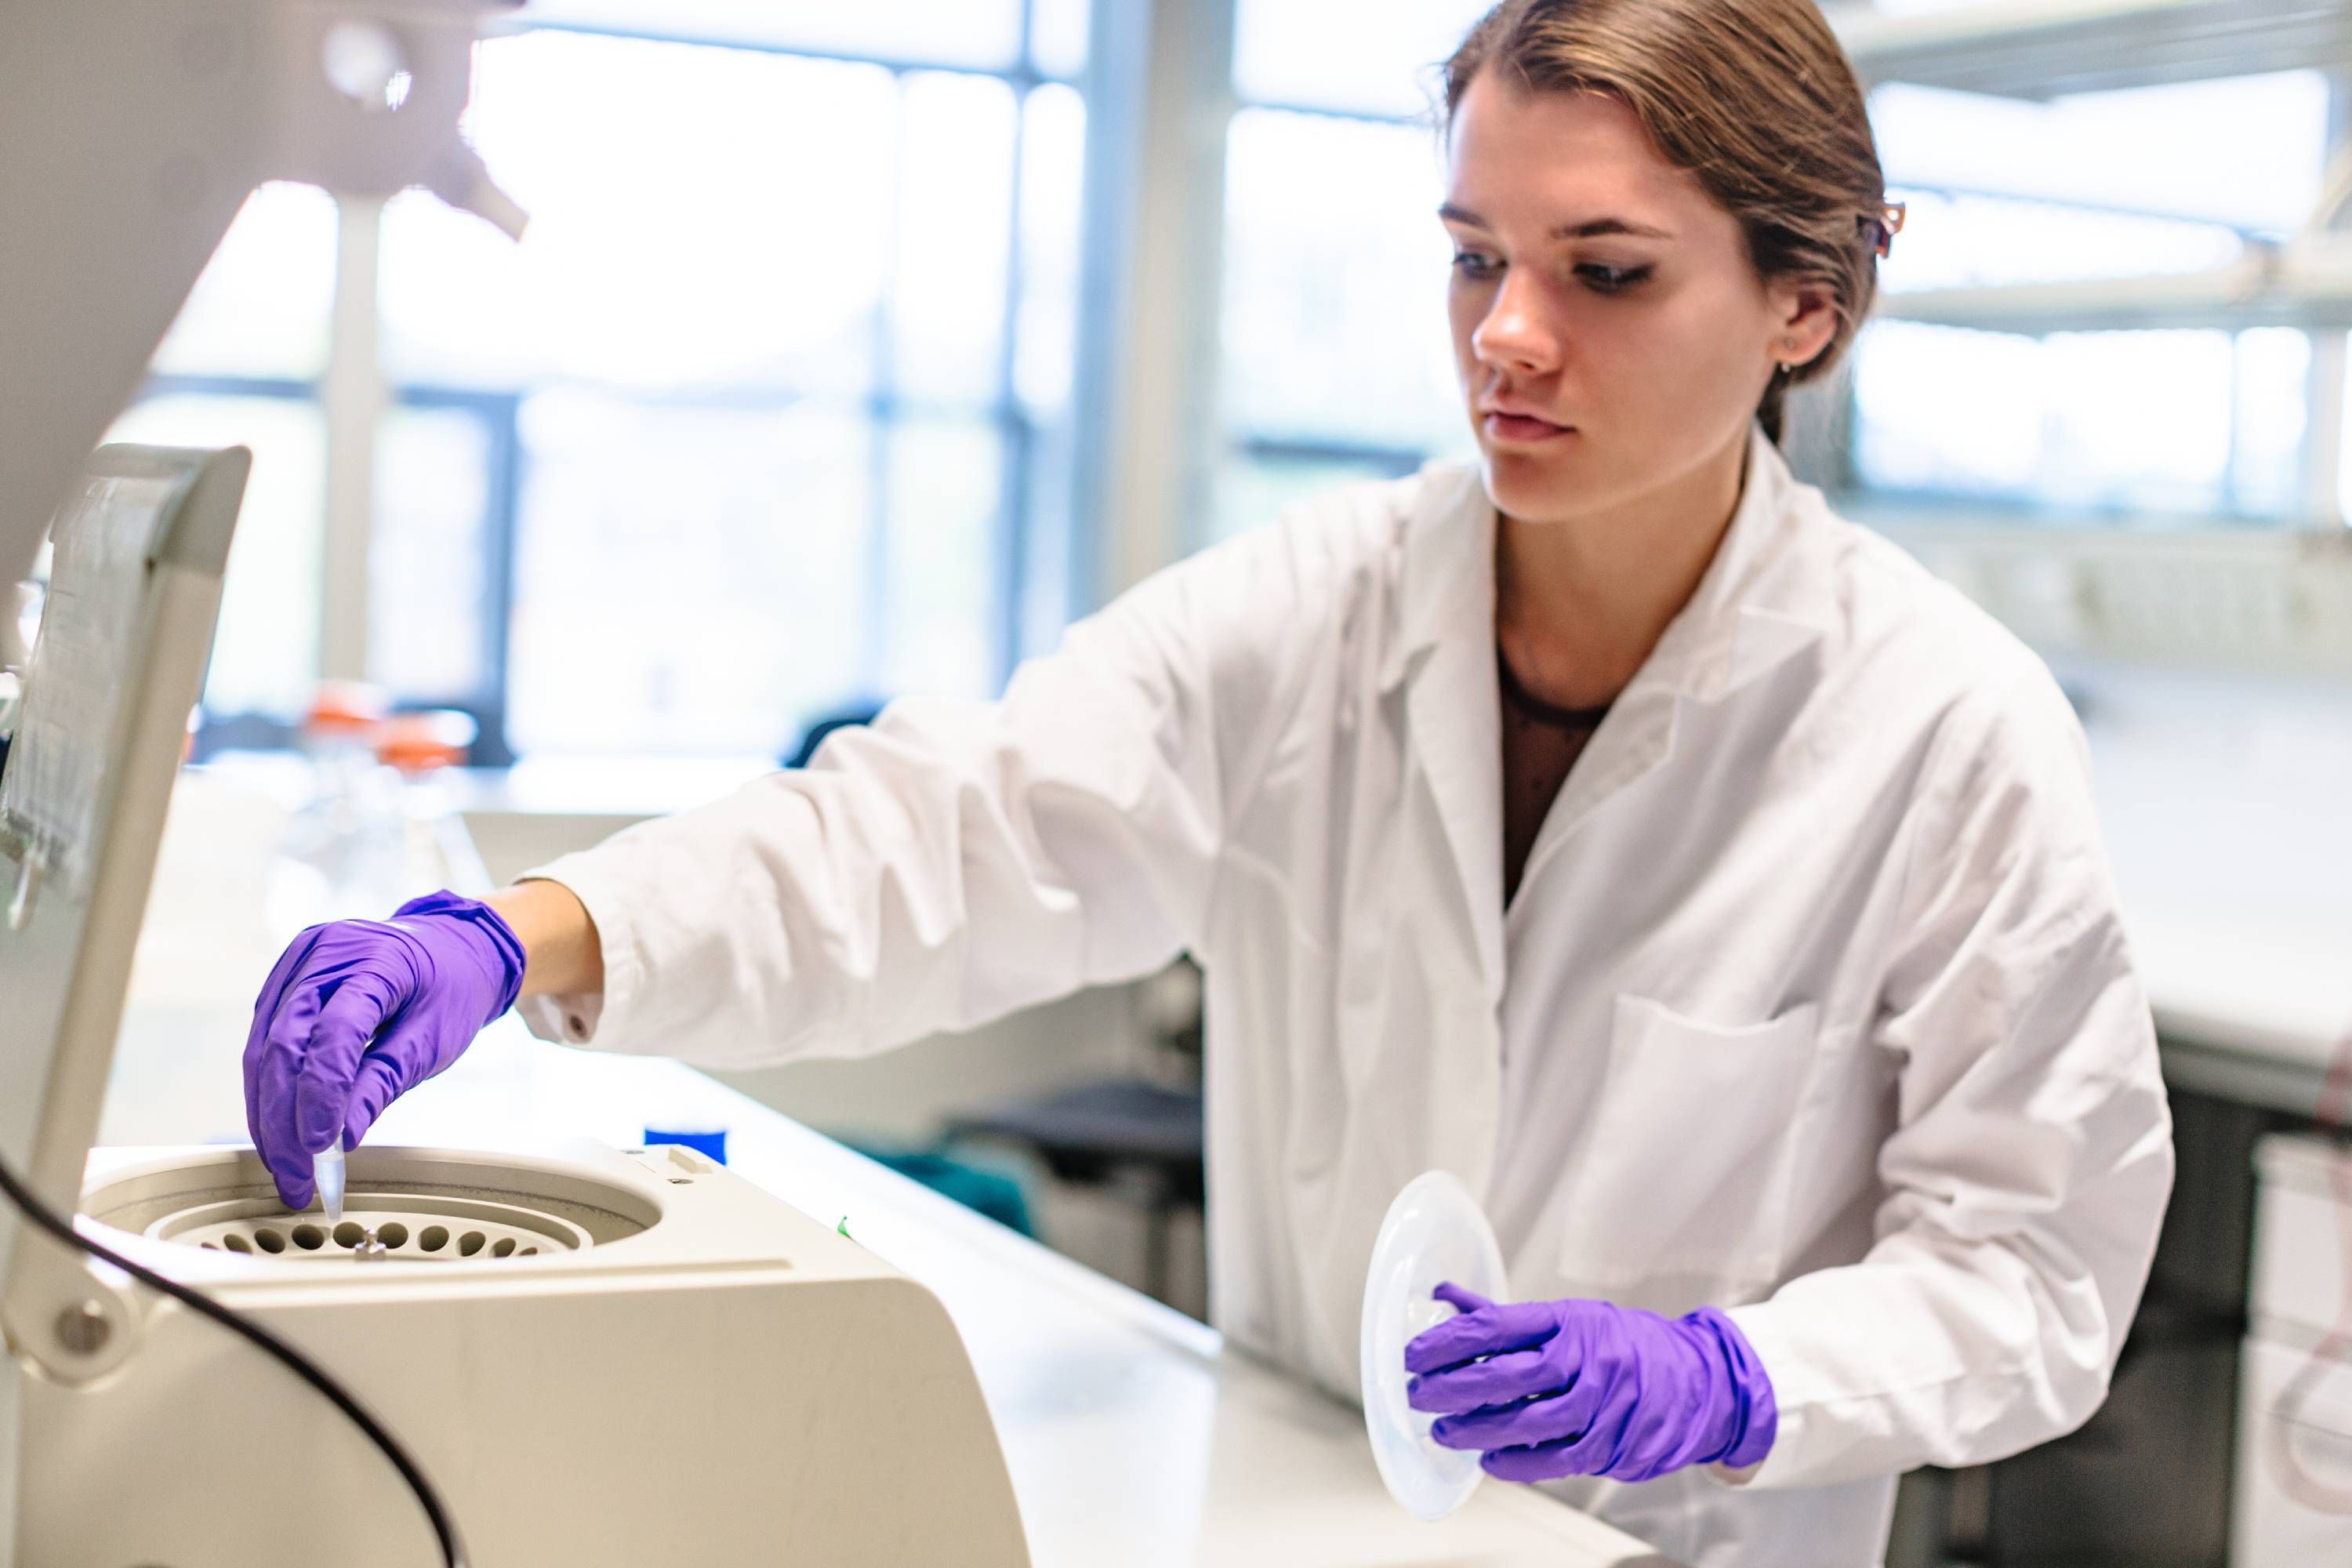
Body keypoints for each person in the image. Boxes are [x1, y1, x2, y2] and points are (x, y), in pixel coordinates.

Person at [241, 2, 2173, 1563]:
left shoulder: (1943, 734)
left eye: (1603, 269)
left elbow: (2033, 1269)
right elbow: (950, 828)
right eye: (1475, 255)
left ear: (1803, 308)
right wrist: (520, 933)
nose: (1507, 332)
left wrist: (1736, 1379)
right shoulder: (1315, 617)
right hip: (1299, 1513)